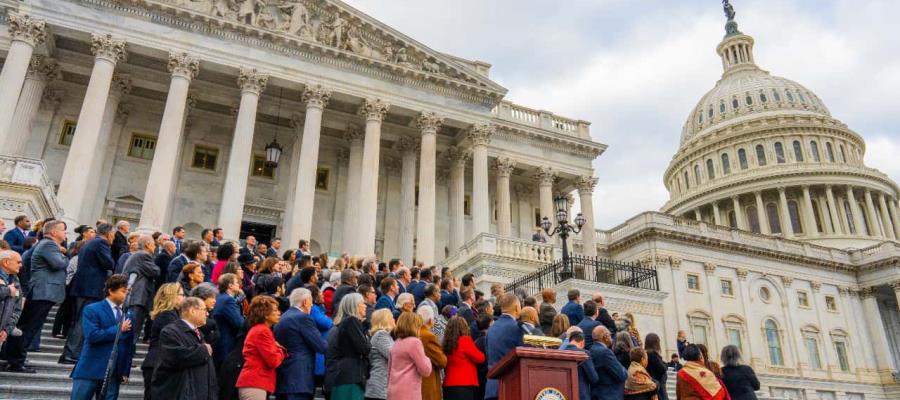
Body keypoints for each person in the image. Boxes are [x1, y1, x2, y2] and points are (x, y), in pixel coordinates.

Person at [5, 220, 68, 373]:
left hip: (42, 291)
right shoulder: (49, 244)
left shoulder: (47, 244)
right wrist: (64, 256)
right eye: (63, 230)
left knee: (28, 327)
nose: (65, 233)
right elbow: (58, 264)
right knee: (28, 328)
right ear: (53, 232)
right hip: (42, 291)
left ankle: (16, 358)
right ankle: (16, 362)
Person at [69, 274, 134, 400]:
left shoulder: (128, 314)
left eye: (129, 292)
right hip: (90, 369)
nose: (127, 295)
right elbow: (92, 335)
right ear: (111, 290)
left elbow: (129, 345)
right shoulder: (93, 309)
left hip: (113, 373)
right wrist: (119, 329)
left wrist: (125, 370)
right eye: (123, 291)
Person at [63, 222, 116, 364]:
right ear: (109, 233)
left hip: (83, 288)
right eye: (113, 235)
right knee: (82, 322)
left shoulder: (90, 243)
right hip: (90, 289)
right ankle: (72, 353)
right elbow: (108, 263)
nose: (114, 238)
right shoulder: (101, 244)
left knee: (78, 321)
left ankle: (70, 352)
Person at [150, 296, 218, 400]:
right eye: (204, 310)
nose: (207, 314)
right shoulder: (170, 331)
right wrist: (203, 350)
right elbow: (177, 356)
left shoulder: (198, 333)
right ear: (192, 311)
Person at [275, 287, 329, 400]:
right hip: (300, 378)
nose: (312, 305)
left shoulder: (283, 317)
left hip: (284, 377)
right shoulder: (303, 318)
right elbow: (321, 346)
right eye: (311, 302)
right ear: (305, 302)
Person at [236, 296, 287, 400]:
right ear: (265, 314)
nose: (279, 313)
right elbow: (273, 361)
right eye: (275, 310)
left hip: (254, 383)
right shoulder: (262, 331)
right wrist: (281, 350)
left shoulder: (260, 329)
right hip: (255, 383)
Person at [141, 283, 184, 400]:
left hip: (158, 364)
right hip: (158, 365)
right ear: (172, 296)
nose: (184, 298)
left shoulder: (170, 315)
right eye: (181, 295)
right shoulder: (167, 316)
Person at [324, 293, 370, 400]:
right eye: (362, 303)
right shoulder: (351, 322)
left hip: (340, 378)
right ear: (354, 306)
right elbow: (365, 348)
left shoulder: (339, 326)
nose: (366, 306)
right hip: (349, 379)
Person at [484, 293, 525, 400]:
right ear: (517, 307)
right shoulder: (517, 328)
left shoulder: (491, 329)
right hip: (510, 386)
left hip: (492, 387)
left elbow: (488, 355)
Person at [122, 235, 160, 344]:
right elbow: (155, 271)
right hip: (137, 297)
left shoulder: (137, 255)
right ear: (147, 245)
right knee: (133, 331)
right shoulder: (143, 255)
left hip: (134, 296)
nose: (155, 247)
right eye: (153, 244)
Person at [387, 312, 432, 400]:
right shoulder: (415, 342)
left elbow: (389, 370)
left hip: (393, 391)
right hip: (409, 392)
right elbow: (426, 370)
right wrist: (427, 359)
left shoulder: (396, 343)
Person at [442, 316, 485, 400]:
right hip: (465, 384)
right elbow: (481, 358)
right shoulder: (464, 340)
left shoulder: (446, 343)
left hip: (448, 384)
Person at [212, 273, 245, 368]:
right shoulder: (228, 300)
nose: (239, 284)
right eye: (236, 282)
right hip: (227, 343)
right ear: (230, 285)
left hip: (220, 341)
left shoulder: (220, 297)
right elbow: (239, 323)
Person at [588, 326, 627, 400]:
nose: (611, 337)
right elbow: (621, 374)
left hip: (596, 394)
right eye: (610, 335)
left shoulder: (591, 350)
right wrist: (625, 370)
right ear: (605, 337)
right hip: (609, 395)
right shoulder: (605, 352)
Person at [364, 309, 395, 400]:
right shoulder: (381, 335)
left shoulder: (385, 335)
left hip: (381, 388)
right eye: (392, 318)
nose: (394, 320)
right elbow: (393, 355)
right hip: (379, 387)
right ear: (386, 320)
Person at [417, 306, 447, 400]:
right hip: (429, 381)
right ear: (430, 320)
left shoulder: (415, 332)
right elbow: (442, 361)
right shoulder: (428, 336)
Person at [563, 331, 598, 400]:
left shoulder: (561, 352)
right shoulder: (584, 353)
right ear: (582, 342)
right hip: (581, 394)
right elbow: (594, 378)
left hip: (565, 393)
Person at [0, 250, 23, 343]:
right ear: (6, 262)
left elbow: (17, 308)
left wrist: (6, 330)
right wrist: (8, 291)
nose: (21, 265)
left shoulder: (15, 279)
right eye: (18, 262)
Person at [643, 333, 668, 400]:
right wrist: (666, 365)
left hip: (652, 385)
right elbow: (662, 368)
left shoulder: (645, 354)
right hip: (658, 387)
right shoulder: (652, 354)